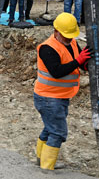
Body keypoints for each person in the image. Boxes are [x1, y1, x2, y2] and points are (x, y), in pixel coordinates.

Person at [34, 13, 91, 170]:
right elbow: (56, 71)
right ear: (56, 31)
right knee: (58, 132)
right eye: (65, 36)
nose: (68, 39)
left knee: (50, 128)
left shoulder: (71, 42)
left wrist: (85, 63)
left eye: (70, 36)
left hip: (59, 96)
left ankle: (41, 161)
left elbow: (77, 61)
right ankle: (46, 168)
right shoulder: (47, 48)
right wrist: (79, 61)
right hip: (48, 97)